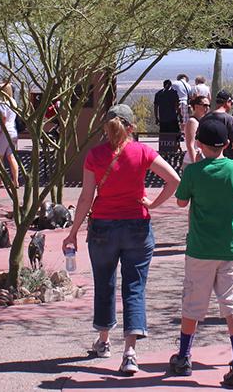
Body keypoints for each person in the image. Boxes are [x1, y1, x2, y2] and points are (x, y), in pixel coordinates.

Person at [63, 104, 181, 375]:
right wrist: (153, 204)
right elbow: (174, 180)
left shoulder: (94, 156)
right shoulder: (143, 152)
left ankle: (104, 341)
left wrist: (73, 232)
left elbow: (85, 197)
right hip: (138, 226)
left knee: (104, 284)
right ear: (131, 127)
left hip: (103, 228)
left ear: (107, 127)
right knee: (134, 287)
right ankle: (130, 352)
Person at [168, 117, 233, 388]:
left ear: (200, 143)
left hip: (199, 248)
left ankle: (184, 357)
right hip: (230, 248)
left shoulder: (194, 172)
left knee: (193, 303)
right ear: (227, 144)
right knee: (232, 304)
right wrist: (231, 212)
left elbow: (181, 201)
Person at [203, 90, 233, 159]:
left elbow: (198, 142)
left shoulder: (205, 118)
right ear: (228, 102)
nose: (231, 106)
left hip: (207, 161)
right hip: (227, 161)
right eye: (231, 104)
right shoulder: (230, 120)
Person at [0, 83, 21, 190]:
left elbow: (3, 118)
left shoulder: (1, 103)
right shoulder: (13, 102)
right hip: (13, 130)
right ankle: (16, 181)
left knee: (0, 157)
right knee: (11, 156)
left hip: (4, 131)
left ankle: (0, 181)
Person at [183, 95, 211, 170]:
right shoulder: (192, 122)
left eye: (209, 105)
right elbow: (190, 145)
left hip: (201, 160)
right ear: (196, 106)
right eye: (205, 105)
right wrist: (195, 165)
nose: (207, 108)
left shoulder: (202, 121)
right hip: (191, 162)